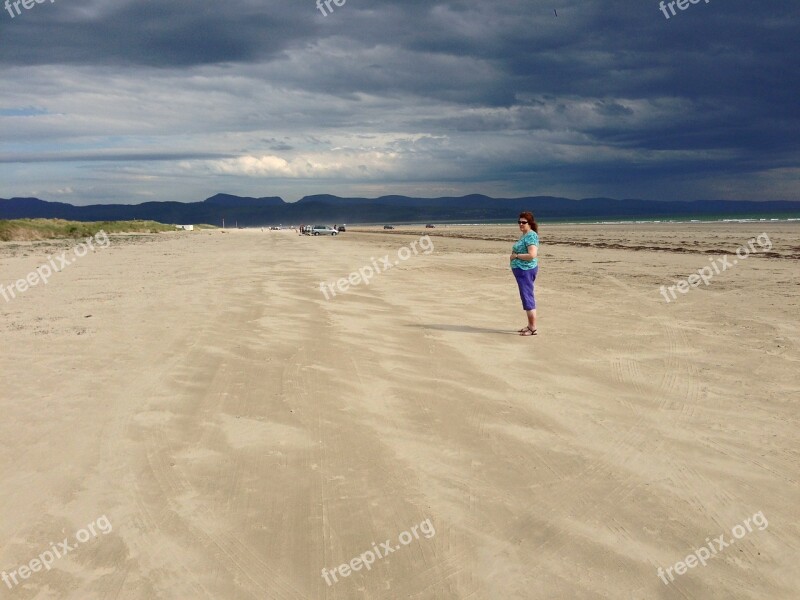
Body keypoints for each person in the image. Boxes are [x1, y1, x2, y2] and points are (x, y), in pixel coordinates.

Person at [510, 212, 539, 336]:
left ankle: (533, 328)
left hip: (526, 270)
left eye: (524, 222)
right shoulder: (525, 235)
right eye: (519, 222)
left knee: (527, 297)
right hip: (521, 270)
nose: (521, 224)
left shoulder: (531, 236)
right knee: (525, 296)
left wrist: (516, 256)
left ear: (530, 223)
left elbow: (532, 255)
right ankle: (529, 325)